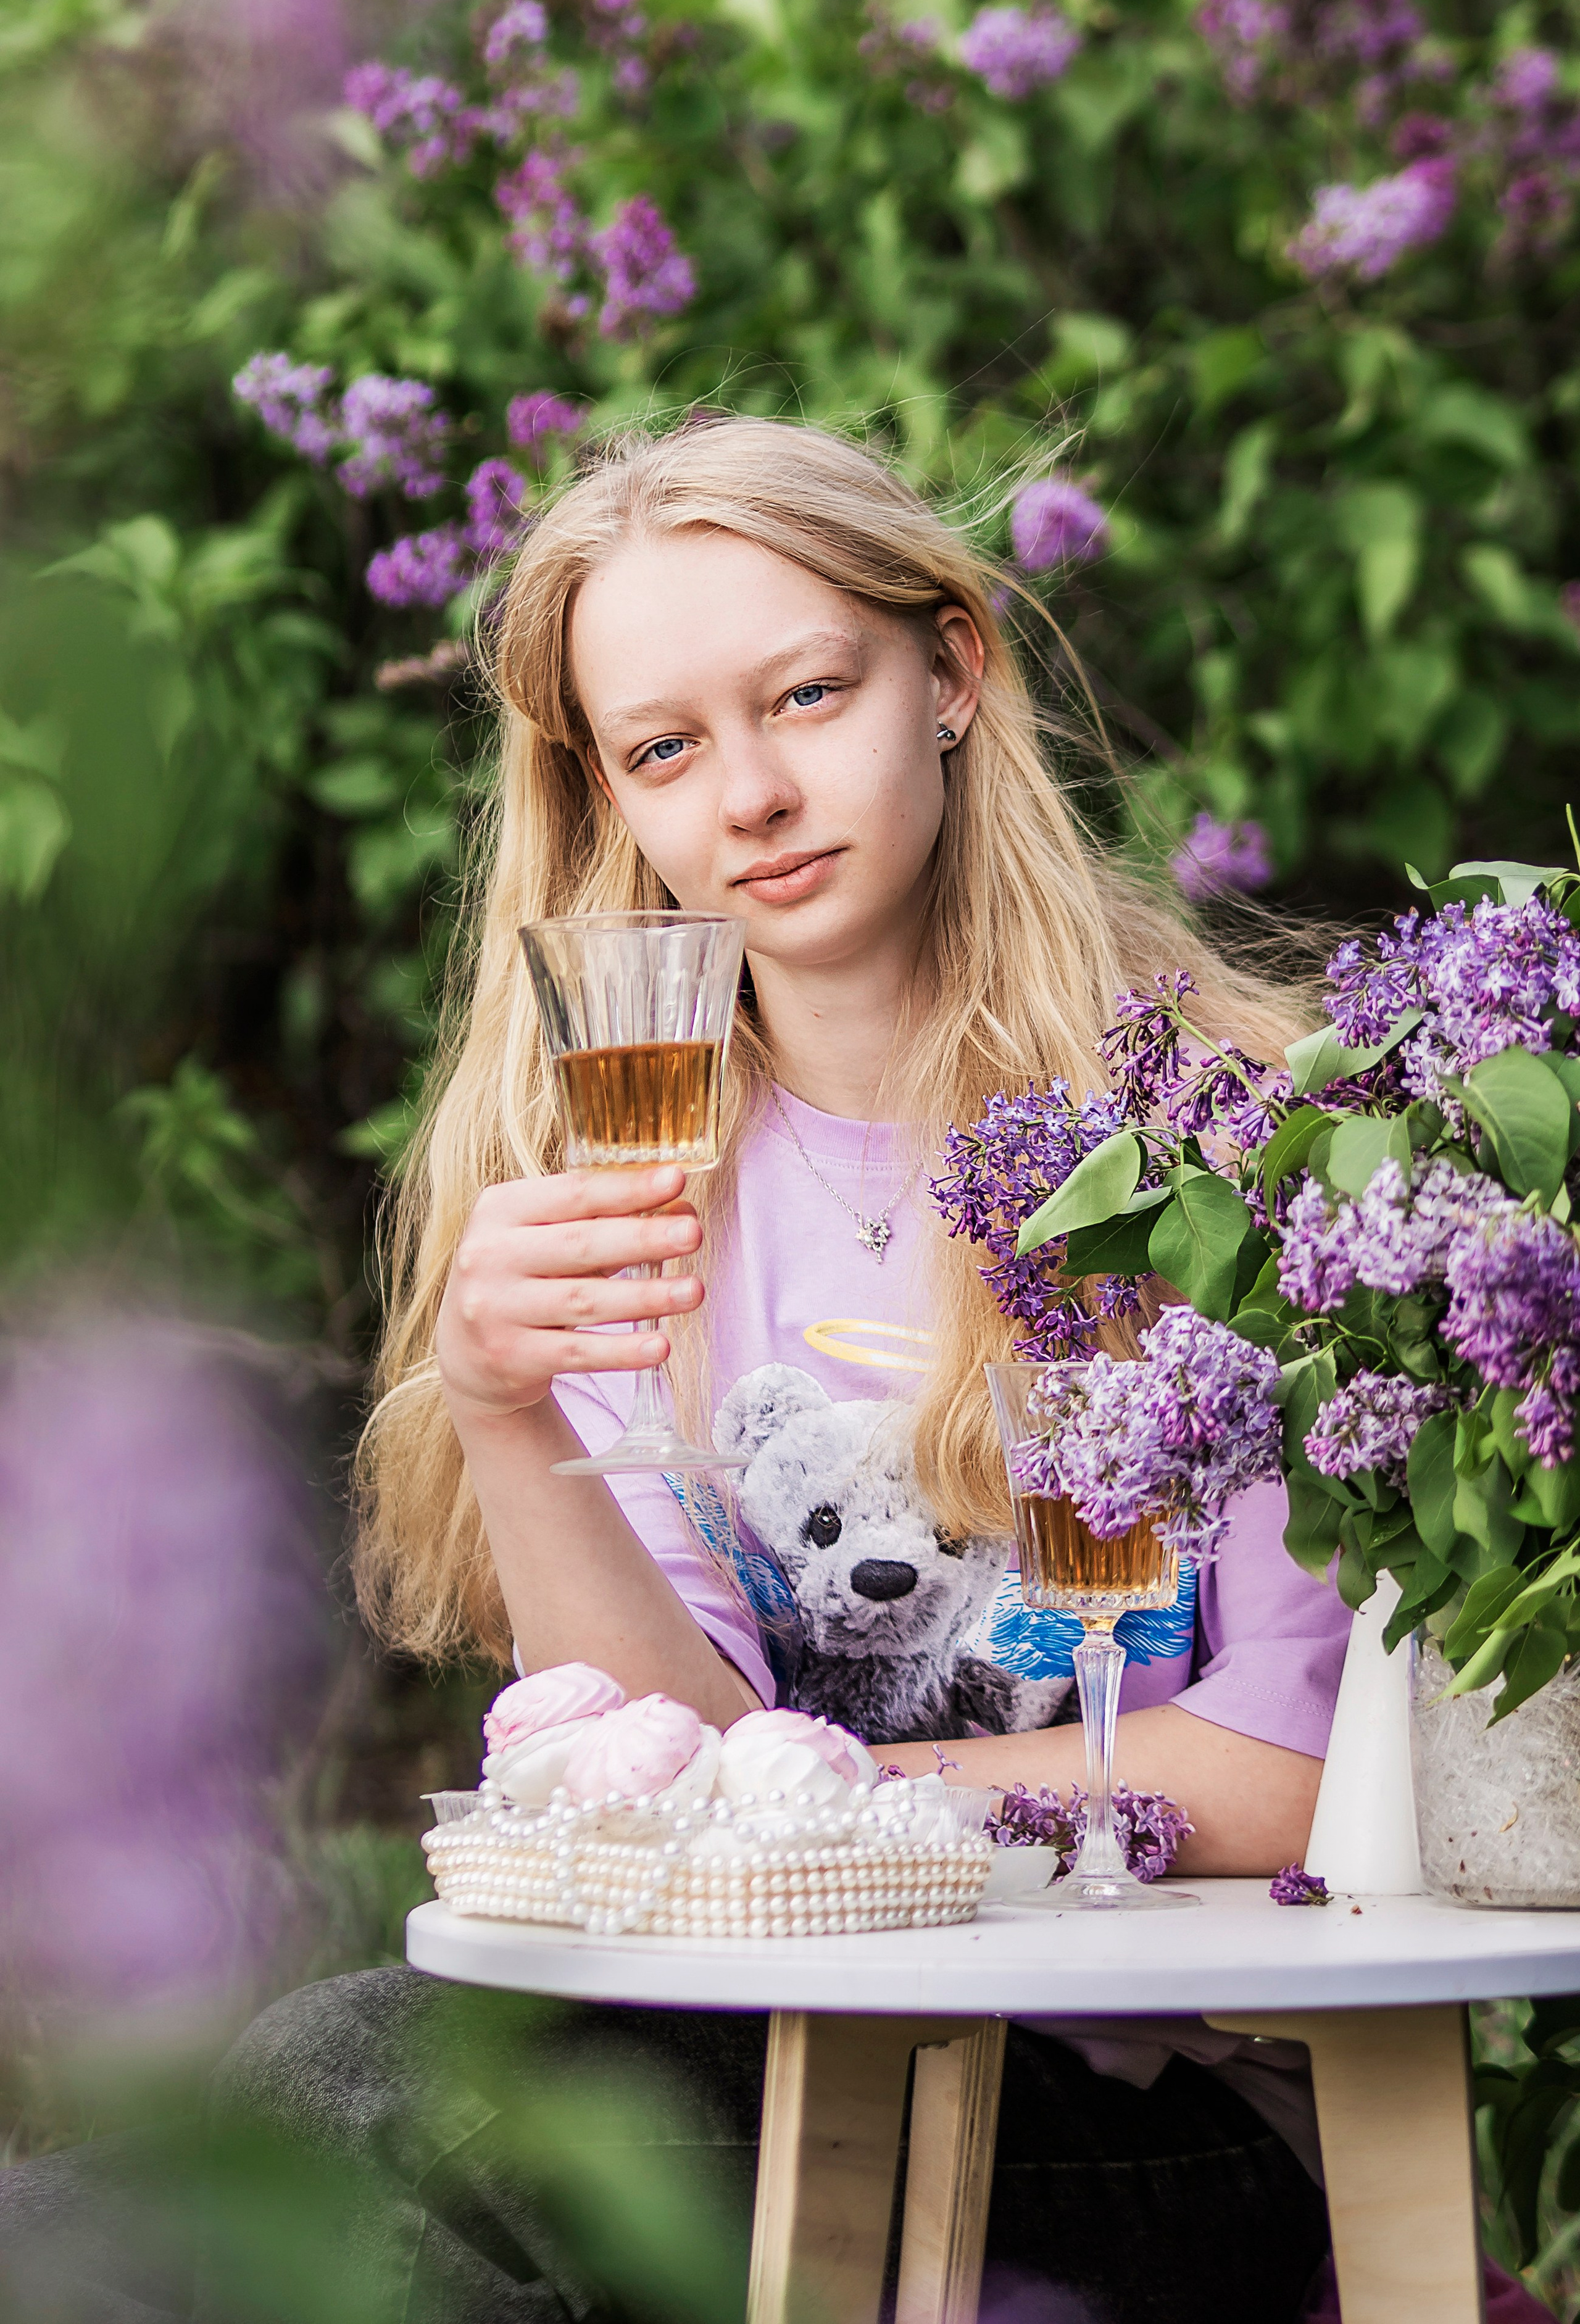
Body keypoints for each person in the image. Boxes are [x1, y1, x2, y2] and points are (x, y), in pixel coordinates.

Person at [0, 417, 1349, 2324]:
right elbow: (675, 1771)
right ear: (609, 796)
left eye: (806, 695)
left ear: (952, 674)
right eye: (665, 748)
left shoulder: (1233, 1141)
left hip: (1155, 2100)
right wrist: (503, 1409)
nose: (755, 795)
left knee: (355, 2096)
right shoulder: (634, 1187)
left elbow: (1282, 1782)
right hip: (759, 2046)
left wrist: (846, 1816)